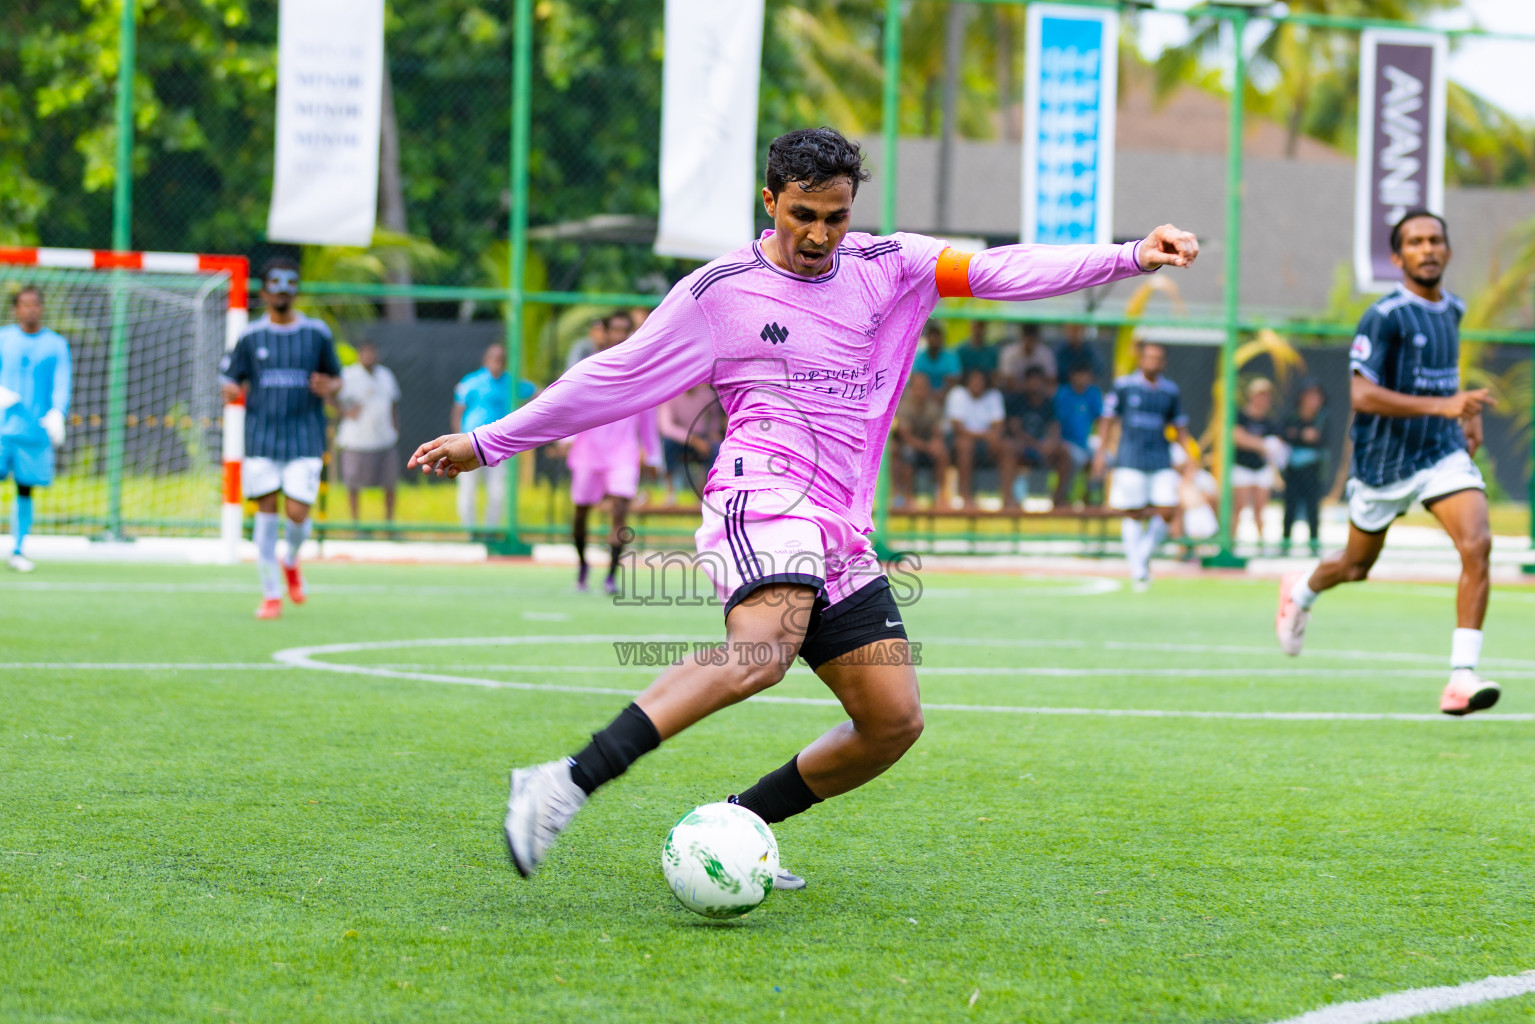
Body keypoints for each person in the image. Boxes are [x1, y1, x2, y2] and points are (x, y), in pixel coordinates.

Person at [408, 126, 1197, 883]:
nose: (820, 235)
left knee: (891, 722)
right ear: (770, 202)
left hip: (840, 524)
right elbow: (612, 376)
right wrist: (488, 442)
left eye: (836, 217)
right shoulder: (720, 293)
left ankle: (733, 824)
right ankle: (564, 780)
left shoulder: (892, 264)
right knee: (762, 650)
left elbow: (1001, 270)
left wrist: (1129, 255)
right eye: (803, 216)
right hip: (760, 492)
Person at [1276, 210, 1498, 715]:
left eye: (1435, 240)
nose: (1428, 249)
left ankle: (1460, 679)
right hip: (1382, 462)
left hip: (1441, 452)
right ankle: (1302, 591)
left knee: (1477, 543)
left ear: (1447, 249)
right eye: (1415, 242)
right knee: (1355, 566)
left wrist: (1461, 410)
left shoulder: (1453, 309)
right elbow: (1362, 393)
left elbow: (1441, 373)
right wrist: (1441, 405)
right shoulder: (1386, 315)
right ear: (1398, 257)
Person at [218, 258, 341, 619]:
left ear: (296, 289)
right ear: (264, 290)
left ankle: (291, 559)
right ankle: (271, 594)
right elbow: (228, 376)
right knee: (266, 514)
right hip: (263, 438)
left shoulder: (316, 333)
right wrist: (227, 389)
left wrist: (329, 385)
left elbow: (337, 377)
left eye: (289, 282)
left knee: (298, 513)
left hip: (304, 437)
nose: (282, 288)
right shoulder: (250, 336)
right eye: (275, 282)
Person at [564, 311, 663, 593]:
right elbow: (573, 404)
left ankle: (610, 576)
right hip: (588, 450)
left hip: (623, 453)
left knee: (620, 511)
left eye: (625, 330)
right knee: (581, 513)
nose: (620, 336)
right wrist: (566, 438)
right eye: (614, 330)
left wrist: (653, 455)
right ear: (603, 333)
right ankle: (583, 566)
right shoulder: (589, 367)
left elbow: (648, 418)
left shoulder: (641, 371)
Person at [1092, 340, 1194, 590]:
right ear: (1140, 359)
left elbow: (1179, 426)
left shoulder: (1170, 391)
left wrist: (1189, 456)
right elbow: (1107, 420)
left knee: (1168, 510)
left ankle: (1143, 556)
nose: (1153, 363)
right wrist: (1101, 452)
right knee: (1133, 512)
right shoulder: (1124, 386)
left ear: (1164, 362)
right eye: (1149, 357)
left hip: (1160, 457)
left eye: (1158, 358)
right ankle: (1138, 570)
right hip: (1130, 457)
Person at [0, 286, 71, 573]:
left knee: (25, 490)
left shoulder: (55, 344)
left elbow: (62, 382)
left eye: (34, 304)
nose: (29, 309)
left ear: (41, 308)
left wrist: (58, 412)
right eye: (24, 304)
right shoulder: (4, 338)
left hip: (33, 433)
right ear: (16, 309)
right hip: (2, 429)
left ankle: (17, 549)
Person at [453, 342, 536, 533]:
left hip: (499, 445)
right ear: (486, 360)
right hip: (471, 442)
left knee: (497, 491)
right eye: (494, 359)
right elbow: (458, 411)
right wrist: (458, 439)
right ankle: (470, 531)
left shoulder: (512, 382)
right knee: (468, 489)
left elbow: (536, 393)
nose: (497, 363)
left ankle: (490, 532)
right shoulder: (471, 381)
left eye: (501, 360)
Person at [334, 340, 401, 522]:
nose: (369, 356)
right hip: (356, 440)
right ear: (359, 355)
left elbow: (394, 404)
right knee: (353, 484)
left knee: (389, 482)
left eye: (372, 352)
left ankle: (389, 524)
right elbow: (330, 397)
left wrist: (396, 428)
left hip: (384, 439)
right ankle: (355, 523)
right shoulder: (348, 376)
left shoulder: (386, 375)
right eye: (365, 352)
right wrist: (345, 411)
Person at [947, 368, 1015, 510]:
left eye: (980, 381)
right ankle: (965, 497)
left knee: (1008, 446)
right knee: (965, 445)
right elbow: (958, 429)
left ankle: (1008, 498)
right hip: (961, 444)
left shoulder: (994, 395)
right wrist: (985, 435)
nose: (976, 384)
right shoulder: (957, 394)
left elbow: (998, 426)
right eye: (973, 380)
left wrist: (991, 437)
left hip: (987, 445)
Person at [1004, 366, 1072, 507]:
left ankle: (1058, 499)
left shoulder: (1048, 402)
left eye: (1037, 380)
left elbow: (1054, 427)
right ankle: (1009, 499)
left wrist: (1051, 443)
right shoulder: (1017, 400)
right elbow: (1015, 430)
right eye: (1031, 380)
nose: (1034, 384)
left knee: (1065, 453)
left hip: (1044, 447)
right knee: (1010, 450)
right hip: (1024, 447)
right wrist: (1036, 445)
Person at [1230, 377, 1279, 552]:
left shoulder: (1269, 421)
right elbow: (1238, 438)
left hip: (1261, 468)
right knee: (1238, 508)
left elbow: (1276, 445)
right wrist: (1262, 445)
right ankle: (1230, 544)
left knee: (1260, 508)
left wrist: (1257, 444)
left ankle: (1261, 545)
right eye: (1259, 395)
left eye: (1266, 396)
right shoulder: (1241, 416)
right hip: (1242, 467)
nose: (1263, 400)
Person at [1279, 380, 1327, 556]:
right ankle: (1285, 543)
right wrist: (1302, 436)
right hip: (1293, 470)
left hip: (1313, 471)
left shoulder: (1323, 418)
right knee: (1289, 506)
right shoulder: (1292, 416)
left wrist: (1297, 435)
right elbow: (1286, 434)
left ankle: (1313, 543)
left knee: (1312, 507)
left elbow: (1321, 439)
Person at [888, 371, 950, 508]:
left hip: (926, 445)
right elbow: (906, 437)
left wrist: (936, 443)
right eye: (917, 386)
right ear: (911, 388)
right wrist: (928, 447)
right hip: (909, 446)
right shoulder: (904, 406)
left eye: (923, 386)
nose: (920, 390)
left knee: (942, 452)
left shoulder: (933, 406)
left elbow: (938, 431)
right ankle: (905, 497)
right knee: (907, 454)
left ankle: (941, 496)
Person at [657, 382, 722, 504]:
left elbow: (714, 418)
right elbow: (666, 428)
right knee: (666, 445)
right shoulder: (670, 396)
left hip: (702, 437)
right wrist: (693, 441)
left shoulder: (706, 394)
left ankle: (703, 492)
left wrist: (713, 433)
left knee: (717, 449)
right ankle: (670, 493)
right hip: (679, 440)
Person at [1054, 362, 1103, 506]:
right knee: (1077, 458)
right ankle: (1066, 497)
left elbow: (1101, 420)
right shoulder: (1063, 394)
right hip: (1066, 441)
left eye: (1086, 375)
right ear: (1072, 376)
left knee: (1105, 457)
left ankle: (1092, 498)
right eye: (1079, 375)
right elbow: (1056, 422)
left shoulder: (1093, 393)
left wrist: (1100, 448)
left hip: (1086, 442)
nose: (1083, 378)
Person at [998, 322, 1057, 387]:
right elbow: (1007, 380)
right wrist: (1029, 387)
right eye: (1027, 337)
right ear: (1021, 337)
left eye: (1032, 338)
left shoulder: (1046, 353)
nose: (1029, 342)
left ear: (1037, 338)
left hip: (1040, 392)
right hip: (1014, 392)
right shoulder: (1009, 352)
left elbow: (1051, 380)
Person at [910, 321, 960, 391]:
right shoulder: (920, 356)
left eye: (936, 336)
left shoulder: (950, 356)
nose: (933, 340)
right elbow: (915, 377)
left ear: (942, 339)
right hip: (924, 393)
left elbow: (955, 379)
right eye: (931, 336)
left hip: (945, 394)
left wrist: (942, 392)